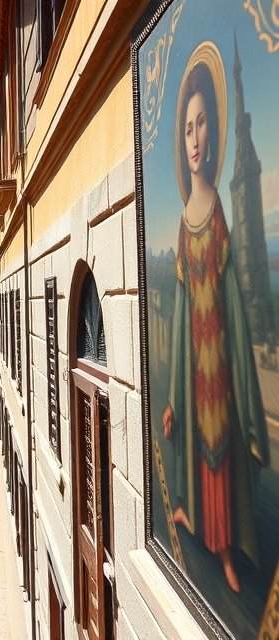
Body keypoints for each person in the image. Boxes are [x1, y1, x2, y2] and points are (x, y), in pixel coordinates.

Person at [162, 52, 270, 594]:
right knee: (196, 457)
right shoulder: (183, 223)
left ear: (216, 131)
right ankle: (190, 518)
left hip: (221, 365)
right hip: (195, 368)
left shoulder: (218, 217)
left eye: (203, 124)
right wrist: (175, 397)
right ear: (182, 144)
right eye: (187, 128)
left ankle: (226, 550)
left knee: (222, 461)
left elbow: (227, 296)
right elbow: (180, 316)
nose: (195, 137)